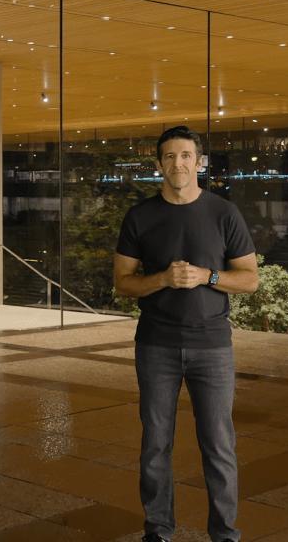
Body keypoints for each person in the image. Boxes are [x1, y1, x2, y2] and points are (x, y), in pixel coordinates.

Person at [114, 125, 258, 542]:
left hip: (212, 346)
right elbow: (123, 282)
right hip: (155, 344)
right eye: (170, 156)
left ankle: (226, 534)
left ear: (198, 162)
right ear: (159, 163)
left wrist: (207, 276)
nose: (178, 163)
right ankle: (158, 530)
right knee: (155, 444)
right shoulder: (140, 215)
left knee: (218, 446)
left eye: (185, 156)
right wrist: (162, 279)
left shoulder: (223, 212)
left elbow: (249, 279)